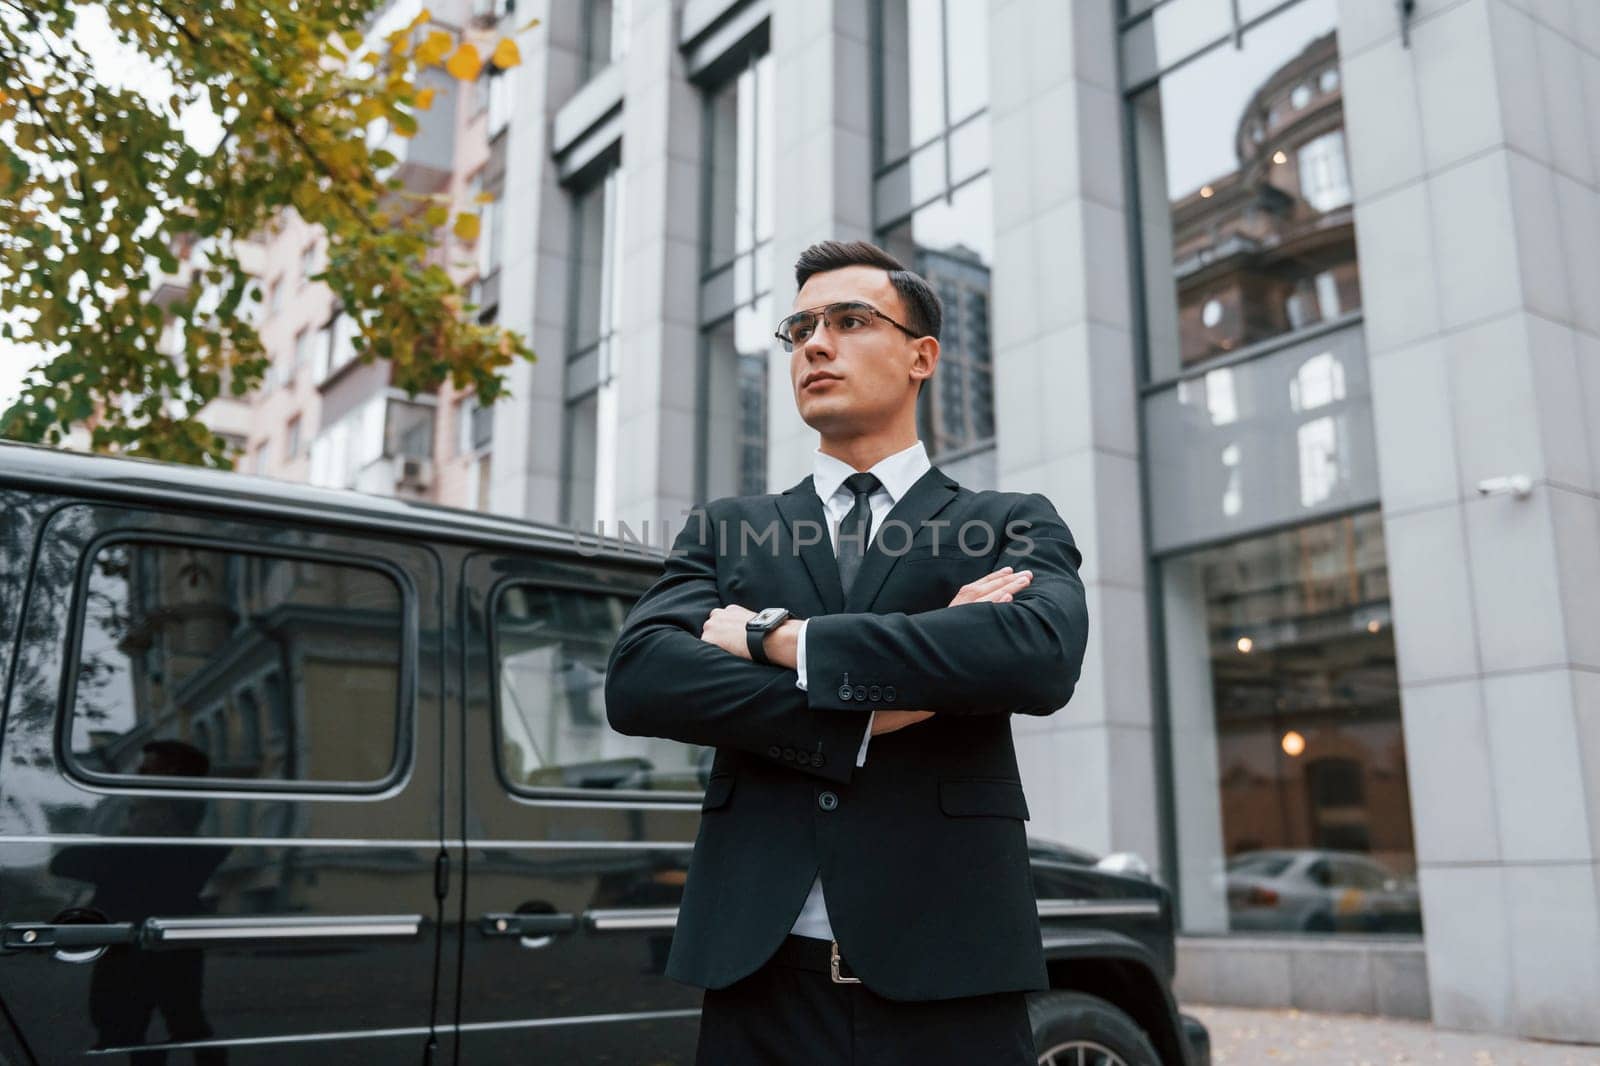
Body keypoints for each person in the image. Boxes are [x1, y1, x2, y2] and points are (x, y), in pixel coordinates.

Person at [605, 239, 1090, 1065]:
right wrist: (873, 712)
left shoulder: (1009, 519)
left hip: (951, 975)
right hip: (759, 978)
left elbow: (1038, 653)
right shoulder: (727, 528)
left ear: (921, 356)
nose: (815, 345)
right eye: (799, 330)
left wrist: (780, 641)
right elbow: (642, 678)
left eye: (849, 321)